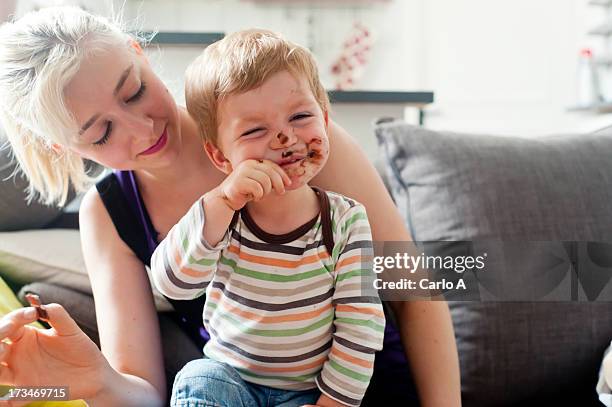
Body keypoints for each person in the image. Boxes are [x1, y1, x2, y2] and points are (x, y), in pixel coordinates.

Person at [0, 6, 460, 406]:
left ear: (139, 54)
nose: (141, 129)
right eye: (101, 133)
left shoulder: (294, 137)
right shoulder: (107, 215)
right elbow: (147, 393)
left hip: (365, 390)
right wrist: (94, 382)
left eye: (134, 90)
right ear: (62, 147)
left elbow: (413, 289)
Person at [150, 29, 385, 407]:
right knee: (197, 376)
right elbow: (173, 285)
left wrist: (332, 403)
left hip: (308, 391)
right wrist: (222, 202)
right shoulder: (221, 215)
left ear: (324, 120)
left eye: (301, 116)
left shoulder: (345, 220)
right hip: (230, 380)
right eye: (256, 129)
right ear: (221, 158)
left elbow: (361, 325)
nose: (284, 137)